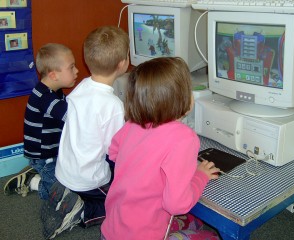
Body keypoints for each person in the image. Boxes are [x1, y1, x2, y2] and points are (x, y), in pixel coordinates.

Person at [101, 57, 220, 240]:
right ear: (183, 99)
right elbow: (176, 204)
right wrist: (200, 176)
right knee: (209, 236)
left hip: (111, 230)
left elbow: (114, 151)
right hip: (142, 236)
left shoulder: (133, 124)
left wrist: (142, 171)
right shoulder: (184, 138)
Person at [41, 26, 130, 239]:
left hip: (65, 171)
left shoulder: (81, 86)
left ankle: (63, 193)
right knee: (120, 206)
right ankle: (81, 212)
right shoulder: (113, 105)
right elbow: (115, 150)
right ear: (122, 64)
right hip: (90, 179)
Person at [3, 43, 78, 199]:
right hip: (44, 155)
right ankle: (32, 181)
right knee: (57, 196)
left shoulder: (54, 90)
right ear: (53, 75)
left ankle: (37, 171)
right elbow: (72, 116)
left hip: (53, 149)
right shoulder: (45, 97)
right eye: (71, 67)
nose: (76, 71)